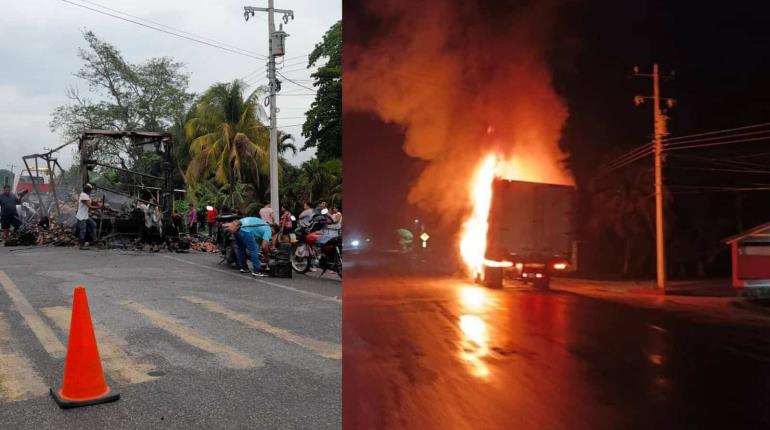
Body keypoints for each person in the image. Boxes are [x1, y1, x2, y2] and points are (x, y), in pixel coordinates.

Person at [76, 183, 100, 250]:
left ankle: (95, 240)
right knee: (83, 230)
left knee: (93, 225)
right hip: (81, 216)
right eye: (90, 190)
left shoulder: (86, 195)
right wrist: (99, 207)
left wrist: (97, 204)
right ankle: (81, 245)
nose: (91, 191)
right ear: (88, 190)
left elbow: (90, 202)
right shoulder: (83, 196)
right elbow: (89, 206)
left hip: (85, 215)